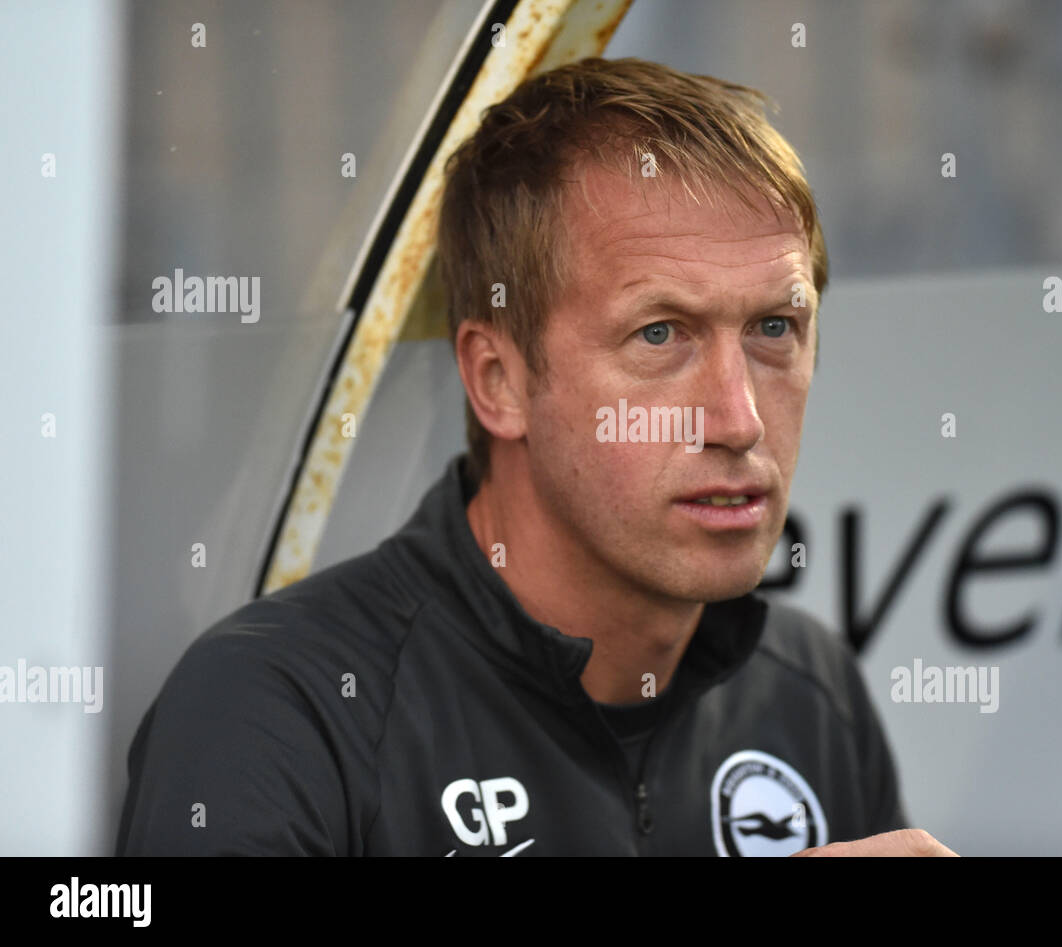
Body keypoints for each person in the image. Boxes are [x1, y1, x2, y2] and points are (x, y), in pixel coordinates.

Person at [116, 56, 956, 857]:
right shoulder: (277, 708)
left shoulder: (806, 692)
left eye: (775, 328)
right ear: (499, 380)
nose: (738, 419)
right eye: (659, 334)